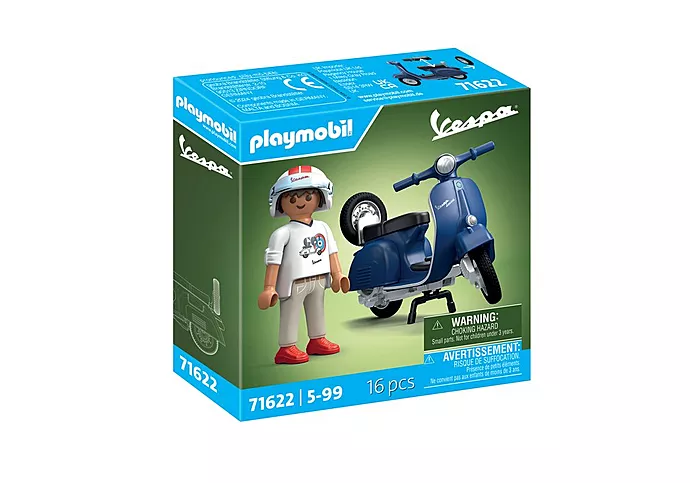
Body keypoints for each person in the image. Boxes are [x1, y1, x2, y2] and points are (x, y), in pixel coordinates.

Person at [258, 166, 350, 364]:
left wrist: (338, 275)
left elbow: (331, 252)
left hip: (318, 278)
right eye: (292, 199)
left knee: (317, 309)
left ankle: (317, 340)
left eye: (308, 197)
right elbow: (273, 261)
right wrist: (269, 287)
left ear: (320, 198)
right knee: (290, 313)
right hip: (294, 282)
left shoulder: (323, 228)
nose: (301, 202)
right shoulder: (282, 233)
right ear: (280, 203)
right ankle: (286, 347)